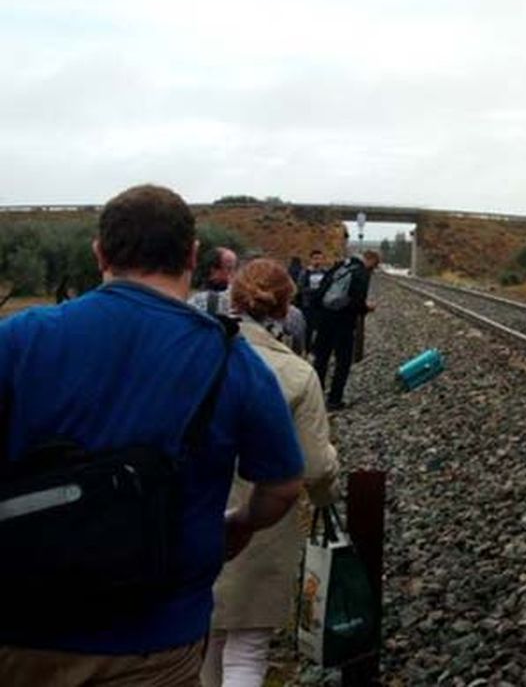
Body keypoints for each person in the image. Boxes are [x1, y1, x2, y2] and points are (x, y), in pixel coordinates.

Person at [0, 184, 304, 686]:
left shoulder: (18, 338)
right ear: (192, 255)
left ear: (99, 252)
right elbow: (283, 485)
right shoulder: (232, 361)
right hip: (156, 637)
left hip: (20, 628)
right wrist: (243, 522)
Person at [202, 260, 338, 687]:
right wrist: (325, 497)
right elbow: (315, 467)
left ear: (233, 298)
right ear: (285, 309)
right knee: (247, 648)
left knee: (203, 641)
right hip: (263, 521)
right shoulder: (298, 373)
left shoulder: (193, 353)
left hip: (193, 514)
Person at [310, 250, 379, 411]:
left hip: (325, 320)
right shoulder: (361, 273)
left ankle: (315, 397)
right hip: (344, 323)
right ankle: (335, 399)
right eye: (374, 266)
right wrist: (366, 308)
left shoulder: (340, 267)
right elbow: (356, 303)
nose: (373, 270)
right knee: (343, 361)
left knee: (321, 359)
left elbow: (320, 292)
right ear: (370, 261)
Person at [297, 248, 330, 354]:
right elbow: (301, 288)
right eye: (315, 259)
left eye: (320, 259)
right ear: (311, 259)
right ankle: (307, 348)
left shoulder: (326, 273)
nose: (318, 261)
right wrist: (314, 291)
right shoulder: (305, 273)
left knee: (321, 328)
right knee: (308, 329)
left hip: (322, 305)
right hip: (308, 305)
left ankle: (318, 349)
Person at [189, 246, 239, 316]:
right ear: (213, 270)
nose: (234, 274)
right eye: (229, 269)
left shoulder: (238, 301)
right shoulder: (198, 301)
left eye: (235, 268)